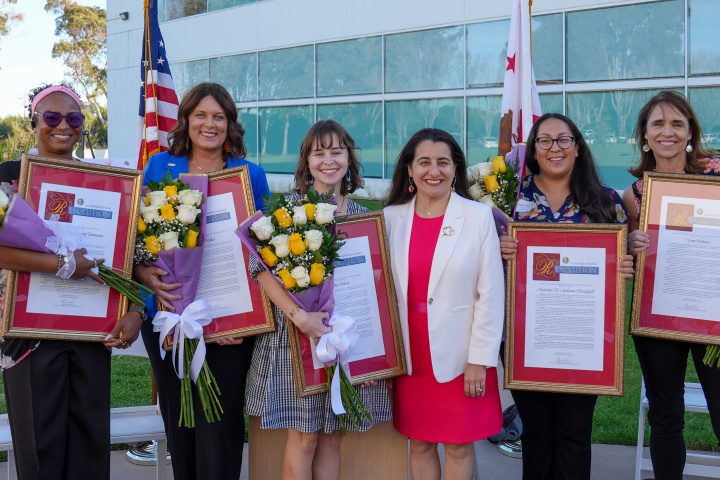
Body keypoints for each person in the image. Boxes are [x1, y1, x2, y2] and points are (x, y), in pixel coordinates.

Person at [0, 84, 142, 480]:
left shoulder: (106, 181)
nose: (63, 126)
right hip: (28, 336)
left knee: (90, 448)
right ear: (34, 122)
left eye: (74, 118)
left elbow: (130, 255)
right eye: (52, 117)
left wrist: (134, 310)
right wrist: (63, 264)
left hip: (91, 333)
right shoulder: (10, 177)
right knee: (40, 453)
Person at [134, 82, 271, 480]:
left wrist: (239, 321)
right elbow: (138, 238)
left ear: (230, 125)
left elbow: (260, 251)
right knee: (181, 422)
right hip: (169, 318)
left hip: (229, 327)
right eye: (201, 115)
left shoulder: (250, 175)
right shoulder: (160, 167)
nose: (209, 124)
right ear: (186, 120)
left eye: (219, 117)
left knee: (221, 424)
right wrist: (144, 273)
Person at [246, 119, 392, 480]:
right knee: (305, 437)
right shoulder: (287, 212)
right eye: (319, 153)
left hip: (346, 340)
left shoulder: (366, 219)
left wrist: (369, 356)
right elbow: (259, 268)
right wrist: (299, 317)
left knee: (332, 438)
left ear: (349, 159)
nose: (328, 160)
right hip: (296, 339)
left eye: (336, 151)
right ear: (306, 161)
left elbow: (376, 289)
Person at [498, 113, 634, 480]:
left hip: (582, 338)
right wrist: (498, 248)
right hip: (523, 337)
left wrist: (622, 266)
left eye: (563, 139)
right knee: (537, 431)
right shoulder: (509, 197)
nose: (554, 148)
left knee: (574, 433)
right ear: (533, 148)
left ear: (577, 146)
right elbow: (480, 263)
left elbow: (618, 262)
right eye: (545, 140)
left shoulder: (605, 202)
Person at [383, 128, 505, 480]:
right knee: (419, 443)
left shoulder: (479, 216)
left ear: (456, 169)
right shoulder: (390, 218)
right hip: (410, 355)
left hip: (461, 355)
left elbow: (491, 295)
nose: (433, 171)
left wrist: (479, 361)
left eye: (443, 162)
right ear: (409, 169)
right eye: (424, 162)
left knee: (458, 444)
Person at [622, 90, 720, 480]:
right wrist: (630, 243)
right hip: (658, 316)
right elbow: (627, 255)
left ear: (690, 132)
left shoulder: (717, 175)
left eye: (677, 123)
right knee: (666, 417)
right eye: (658, 124)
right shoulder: (634, 195)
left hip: (712, 315)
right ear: (645, 136)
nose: (668, 132)